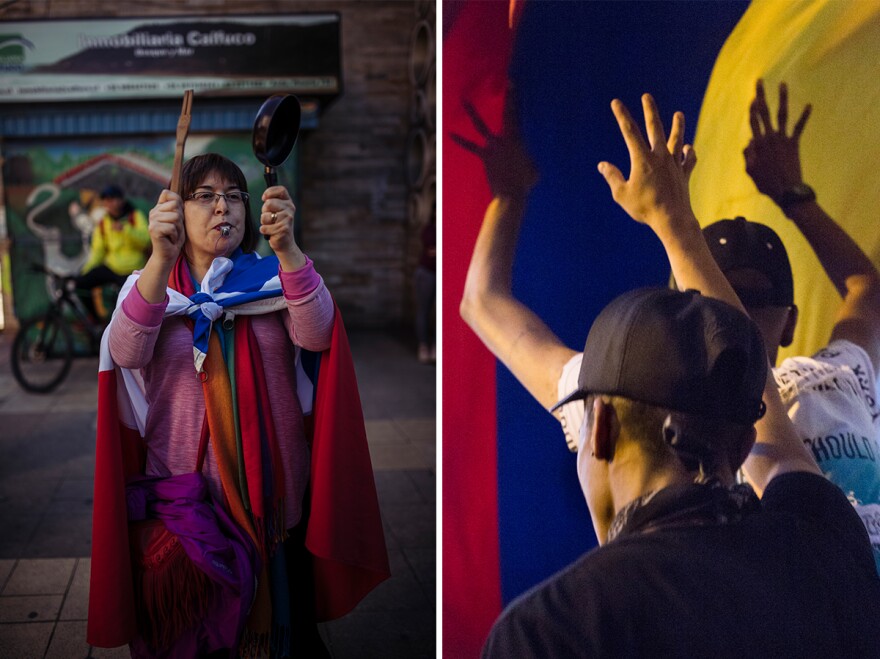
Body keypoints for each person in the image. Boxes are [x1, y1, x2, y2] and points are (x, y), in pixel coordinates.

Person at [481, 94, 880, 657]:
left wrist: (673, 224)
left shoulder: (554, 628)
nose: (727, 309)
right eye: (711, 297)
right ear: (745, 439)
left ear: (598, 429)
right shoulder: (824, 535)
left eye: (752, 297)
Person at [86, 154, 389, 657]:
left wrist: (288, 248)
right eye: (204, 196)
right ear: (176, 211)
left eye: (233, 196)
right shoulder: (149, 288)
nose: (221, 207)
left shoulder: (274, 279)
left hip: (272, 503)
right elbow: (126, 352)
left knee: (280, 637)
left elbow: (318, 335)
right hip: (193, 510)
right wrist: (161, 259)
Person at [76, 184, 150, 318]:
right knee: (80, 284)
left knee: (127, 306)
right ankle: (95, 321)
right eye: (105, 199)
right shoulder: (103, 223)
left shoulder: (135, 216)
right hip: (112, 268)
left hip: (132, 270)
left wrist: (126, 230)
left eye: (111, 199)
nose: (108, 203)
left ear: (121, 200)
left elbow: (146, 241)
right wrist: (86, 270)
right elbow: (98, 252)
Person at [415, 213, 436, 363]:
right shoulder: (429, 230)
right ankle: (423, 346)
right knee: (424, 310)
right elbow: (431, 251)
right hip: (427, 273)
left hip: (441, 273)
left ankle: (436, 346)